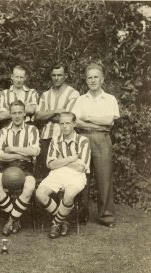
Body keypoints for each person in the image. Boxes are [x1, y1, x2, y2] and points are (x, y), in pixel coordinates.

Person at [71, 63, 120, 227]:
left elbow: (109, 121)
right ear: (86, 80)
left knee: (104, 177)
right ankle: (81, 214)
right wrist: (95, 121)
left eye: (95, 77)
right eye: (89, 77)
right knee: (81, 176)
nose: (92, 80)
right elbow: (76, 121)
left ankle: (106, 216)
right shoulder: (80, 99)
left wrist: (88, 119)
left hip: (102, 138)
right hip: (83, 138)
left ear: (102, 79)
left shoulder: (110, 99)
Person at [35, 112, 91, 238]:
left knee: (69, 195)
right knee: (39, 193)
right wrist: (72, 158)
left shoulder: (83, 141)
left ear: (74, 124)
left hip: (76, 175)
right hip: (57, 174)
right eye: (62, 124)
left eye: (68, 123)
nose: (64, 126)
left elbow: (81, 167)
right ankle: (64, 219)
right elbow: (50, 164)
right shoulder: (55, 140)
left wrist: (60, 160)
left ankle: (55, 224)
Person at [0, 100, 40, 236]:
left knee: (30, 187)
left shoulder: (32, 130)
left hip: (25, 168)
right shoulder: (4, 131)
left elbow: (35, 151)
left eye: (20, 113)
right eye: (14, 113)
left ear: (24, 113)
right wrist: (20, 155)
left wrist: (12, 149)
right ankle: (16, 218)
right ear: (10, 115)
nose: (17, 116)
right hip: (6, 167)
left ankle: (10, 220)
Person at [35, 63, 80, 180]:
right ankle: (48, 199)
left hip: (65, 138)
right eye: (54, 75)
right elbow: (38, 115)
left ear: (65, 76)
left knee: (66, 172)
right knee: (47, 173)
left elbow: (69, 118)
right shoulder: (45, 95)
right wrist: (57, 111)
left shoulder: (73, 93)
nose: (56, 78)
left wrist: (48, 114)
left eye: (59, 75)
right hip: (46, 138)